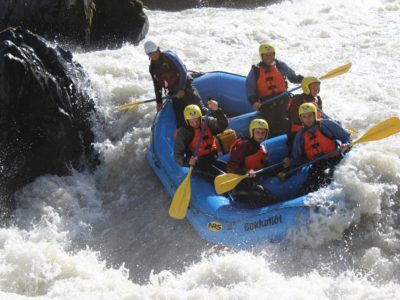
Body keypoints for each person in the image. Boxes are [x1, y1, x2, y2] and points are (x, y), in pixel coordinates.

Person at [280, 103, 351, 194]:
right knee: (307, 188)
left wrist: (346, 145)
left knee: (327, 177)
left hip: (335, 160)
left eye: (310, 115)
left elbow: (347, 138)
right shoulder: (300, 135)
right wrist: (288, 164)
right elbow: (296, 158)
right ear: (301, 119)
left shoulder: (327, 124)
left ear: (315, 115)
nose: (307, 119)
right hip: (318, 166)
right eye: (304, 117)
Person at [246, 43, 304, 138]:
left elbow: (293, 77)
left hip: (283, 101)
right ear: (262, 56)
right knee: (271, 125)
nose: (269, 57)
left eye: (271, 54)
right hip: (266, 104)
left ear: (274, 54)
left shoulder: (280, 65)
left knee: (285, 121)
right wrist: (254, 101)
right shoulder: (255, 71)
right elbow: (250, 88)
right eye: (266, 55)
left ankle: (291, 138)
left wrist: (303, 80)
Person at [144, 40, 206, 127]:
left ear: (158, 50)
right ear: (148, 55)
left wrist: (181, 89)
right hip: (173, 92)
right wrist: (159, 102)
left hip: (185, 85)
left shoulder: (169, 56)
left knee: (200, 107)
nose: (153, 55)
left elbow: (183, 71)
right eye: (150, 53)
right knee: (180, 118)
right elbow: (157, 85)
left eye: (154, 52)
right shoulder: (152, 68)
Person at [227, 119, 280, 208]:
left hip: (252, 182)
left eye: (263, 133)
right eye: (258, 132)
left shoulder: (262, 149)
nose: (260, 135)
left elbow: (266, 169)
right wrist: (246, 172)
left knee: (270, 196)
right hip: (240, 184)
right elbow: (231, 166)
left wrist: (281, 169)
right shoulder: (243, 145)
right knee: (260, 194)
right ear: (252, 132)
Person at [174, 100, 228, 180]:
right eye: (191, 122)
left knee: (231, 170)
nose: (195, 124)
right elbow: (177, 155)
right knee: (221, 176)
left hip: (212, 158)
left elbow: (223, 125)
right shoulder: (184, 132)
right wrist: (187, 161)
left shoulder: (207, 121)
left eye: (197, 121)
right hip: (198, 164)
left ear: (200, 117)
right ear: (187, 121)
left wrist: (217, 110)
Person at [287, 76, 323, 144]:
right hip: (299, 131)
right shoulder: (298, 99)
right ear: (306, 88)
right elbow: (294, 118)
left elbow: (321, 116)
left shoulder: (318, 99)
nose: (317, 90)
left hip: (316, 129)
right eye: (314, 88)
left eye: (318, 88)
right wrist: (309, 108)